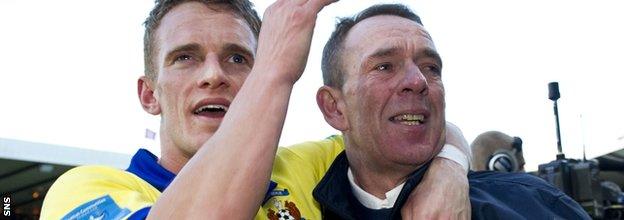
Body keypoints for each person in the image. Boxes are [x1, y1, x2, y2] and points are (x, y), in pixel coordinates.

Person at [40, 0, 472, 219]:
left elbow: (416, 126)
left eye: (238, 58)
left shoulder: (307, 165)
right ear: (148, 94)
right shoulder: (85, 190)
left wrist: (449, 170)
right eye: (185, 57)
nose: (214, 75)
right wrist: (275, 71)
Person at [311, 3, 590, 219]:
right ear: (334, 108)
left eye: (430, 68)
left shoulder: (533, 204)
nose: (418, 81)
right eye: (384, 66)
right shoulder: (290, 205)